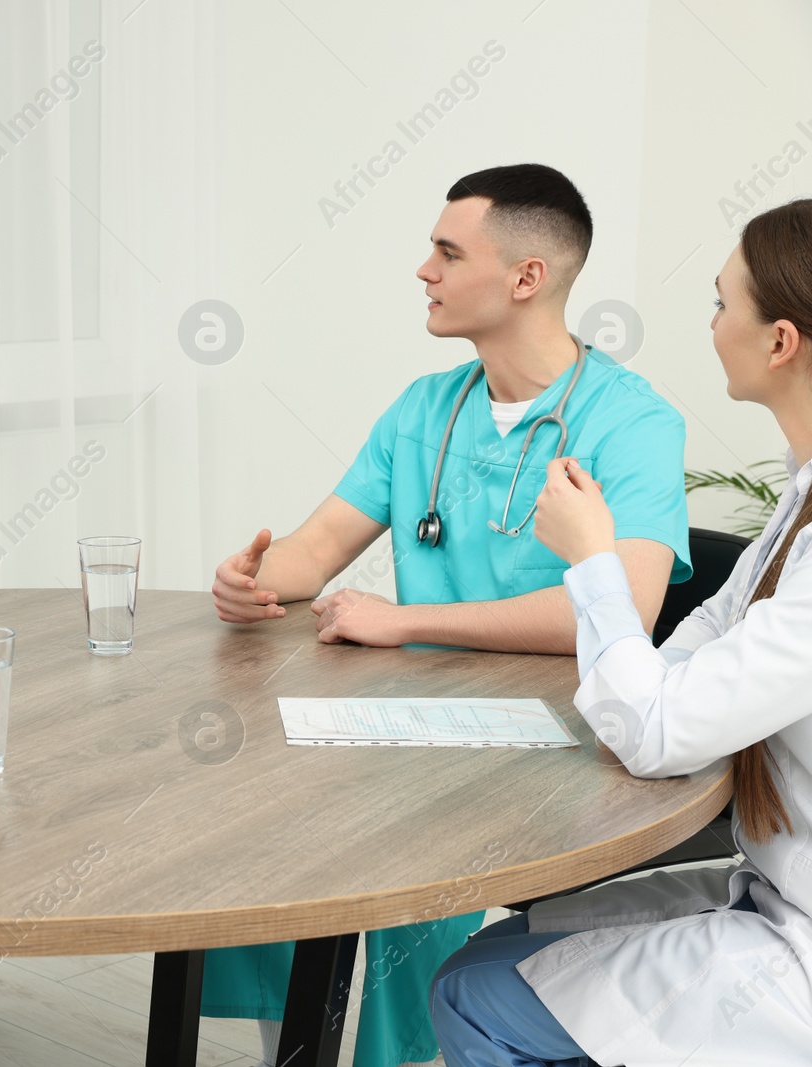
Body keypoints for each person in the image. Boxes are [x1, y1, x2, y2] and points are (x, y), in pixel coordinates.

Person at [203, 165, 694, 1067]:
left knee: (406, 860)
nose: (421, 270)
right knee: (256, 826)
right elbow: (313, 551)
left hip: (561, 739)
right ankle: (300, 1048)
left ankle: (412, 1050)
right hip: (412, 719)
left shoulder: (634, 423)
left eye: (446, 250)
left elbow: (619, 610)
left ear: (526, 278)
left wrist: (406, 622)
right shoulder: (427, 407)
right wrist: (250, 578)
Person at [431, 198, 812, 1066]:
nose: (712, 325)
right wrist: (650, 679)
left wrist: (591, 559)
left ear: (780, 341)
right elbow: (712, 630)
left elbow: (656, 728)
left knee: (472, 995)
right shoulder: (801, 498)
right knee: (496, 949)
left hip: (797, 944)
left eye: (721, 304)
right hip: (771, 884)